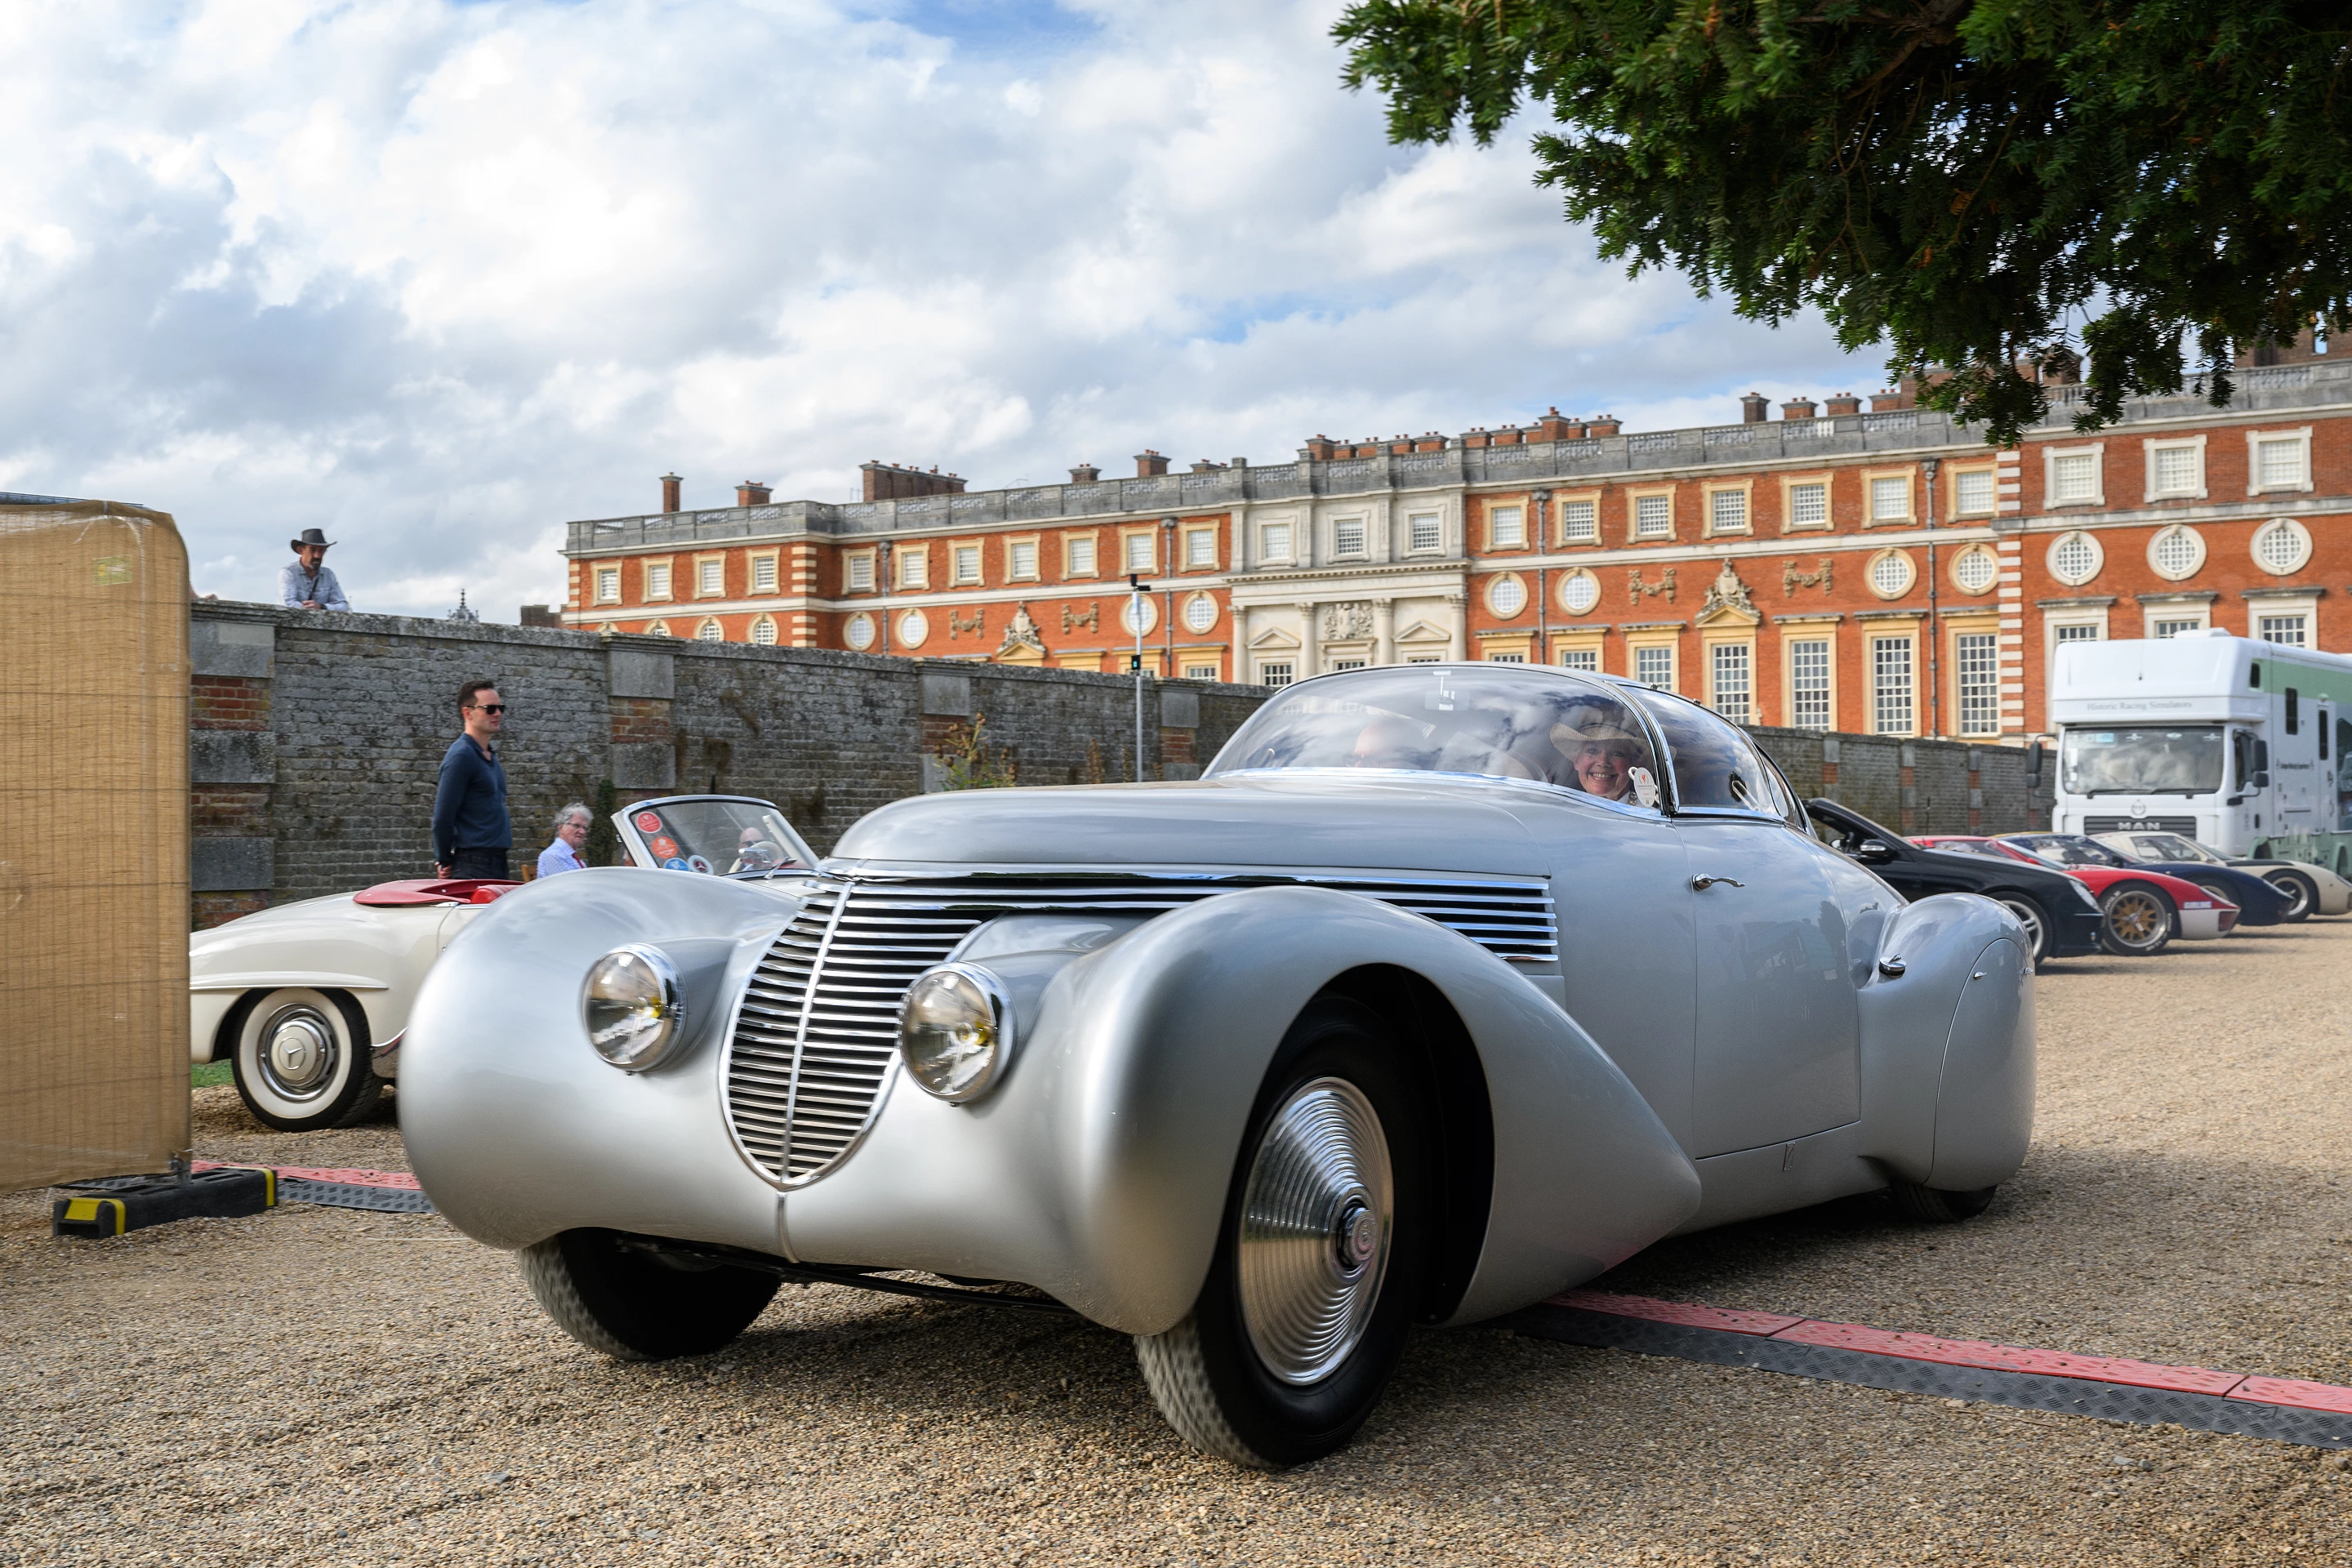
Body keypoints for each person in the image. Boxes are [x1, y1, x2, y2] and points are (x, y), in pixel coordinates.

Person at [433, 679, 511, 879]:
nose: (498, 714)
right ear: (468, 713)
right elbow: (443, 816)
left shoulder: (489, 756)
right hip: (474, 865)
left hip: (497, 861)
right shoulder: (461, 756)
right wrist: (444, 859)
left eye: (500, 708)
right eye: (490, 709)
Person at [1551, 713, 1649, 801]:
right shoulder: (1560, 814)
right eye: (1593, 751)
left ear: (1634, 763)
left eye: (1616, 753)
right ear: (1576, 761)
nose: (1602, 762)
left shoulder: (1649, 818)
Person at [280, 528, 350, 611]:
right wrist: (313, 608)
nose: (317, 556)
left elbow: (344, 607)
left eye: (321, 551)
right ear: (301, 550)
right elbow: (287, 604)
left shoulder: (328, 574)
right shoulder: (289, 573)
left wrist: (322, 607)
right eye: (312, 550)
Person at [537, 802, 591, 878]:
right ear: (561, 827)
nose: (582, 832)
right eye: (576, 826)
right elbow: (569, 887)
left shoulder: (574, 858)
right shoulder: (552, 855)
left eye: (585, 828)